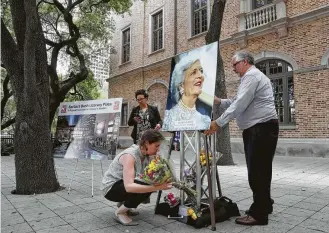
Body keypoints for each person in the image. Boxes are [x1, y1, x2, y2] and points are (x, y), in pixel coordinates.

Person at [205, 51, 279, 226]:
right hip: (261, 128)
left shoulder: (251, 77)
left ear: (245, 62)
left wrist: (218, 122)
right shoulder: (251, 77)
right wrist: (218, 101)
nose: (233, 69)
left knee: (257, 173)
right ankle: (265, 205)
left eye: (235, 64)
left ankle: (259, 214)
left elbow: (239, 104)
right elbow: (237, 101)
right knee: (262, 170)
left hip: (260, 129)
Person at [101, 129, 172, 226]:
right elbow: (129, 187)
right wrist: (158, 187)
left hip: (121, 185)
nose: (158, 149)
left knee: (151, 181)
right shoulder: (130, 156)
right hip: (110, 189)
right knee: (147, 185)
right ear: (146, 143)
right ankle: (120, 212)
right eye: (156, 146)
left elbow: (148, 175)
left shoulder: (146, 155)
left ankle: (124, 206)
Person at [162, 57, 212, 131]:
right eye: (193, 72)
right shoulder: (169, 117)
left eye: (201, 71)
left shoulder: (205, 120)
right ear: (181, 85)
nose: (200, 76)